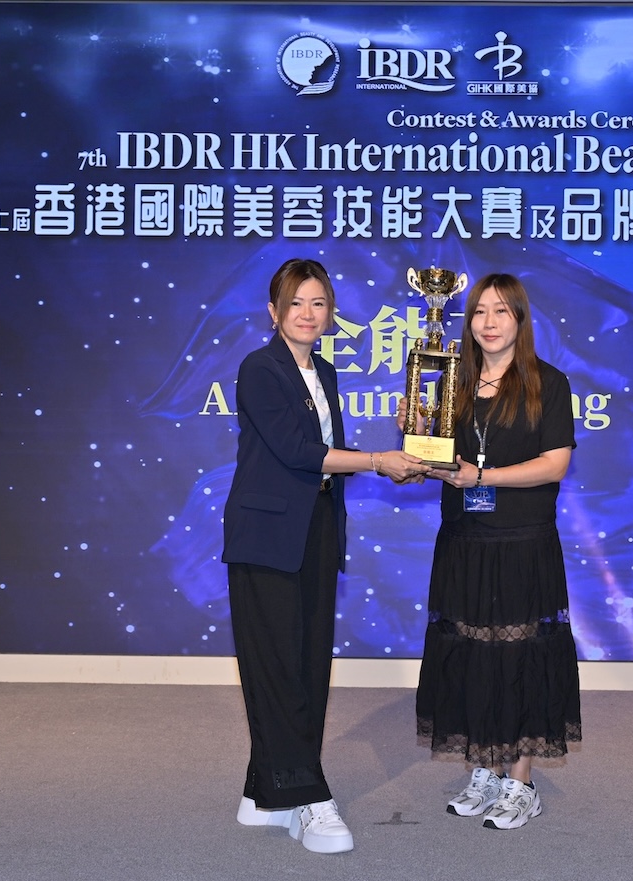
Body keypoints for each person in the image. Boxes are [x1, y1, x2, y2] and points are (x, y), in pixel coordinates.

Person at [222, 257, 425, 854]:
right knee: (278, 666)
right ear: (273, 311)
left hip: (315, 530)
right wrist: (378, 461)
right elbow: (297, 451)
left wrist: (404, 453)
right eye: (296, 303)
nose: (308, 314)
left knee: (308, 662)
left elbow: (325, 452)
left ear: (331, 312)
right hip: (266, 536)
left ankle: (265, 792)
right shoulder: (259, 368)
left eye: (318, 303)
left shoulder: (326, 372)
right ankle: (307, 795)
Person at [410, 272, 582, 830]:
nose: (488, 322)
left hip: (522, 541)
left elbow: (555, 464)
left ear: (520, 320)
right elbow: (440, 453)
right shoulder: (453, 381)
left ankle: (521, 781)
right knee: (470, 653)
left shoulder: (548, 383)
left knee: (521, 655)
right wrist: (420, 446)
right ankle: (486, 767)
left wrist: (483, 476)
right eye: (480, 311)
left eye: (501, 311)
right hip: (464, 540)